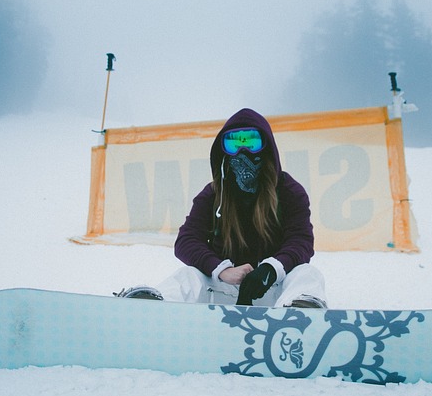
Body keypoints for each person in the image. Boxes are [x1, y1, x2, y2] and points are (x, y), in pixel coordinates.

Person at [117, 108, 327, 308]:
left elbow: (301, 241)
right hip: (223, 290)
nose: (243, 151)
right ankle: (157, 307)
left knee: (308, 273)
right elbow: (186, 241)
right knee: (189, 275)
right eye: (233, 144)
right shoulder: (214, 195)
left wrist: (271, 269)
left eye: (252, 142)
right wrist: (222, 270)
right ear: (223, 151)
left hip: (273, 292)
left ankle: (301, 311)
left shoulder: (288, 191)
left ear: (267, 146)